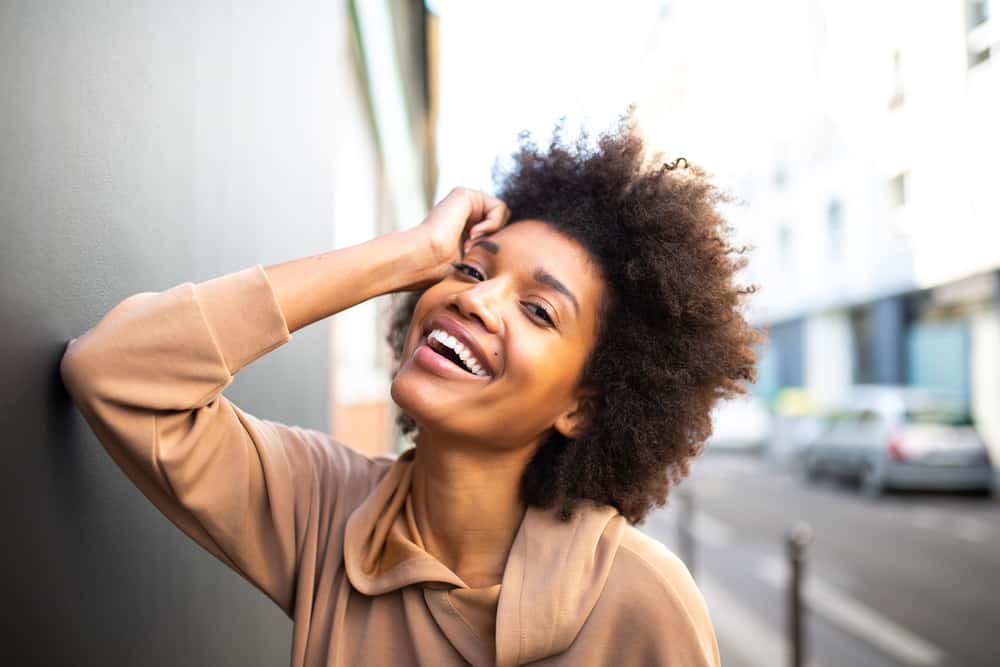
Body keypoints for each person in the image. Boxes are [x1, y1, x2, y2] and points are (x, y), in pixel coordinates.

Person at [60, 113, 763, 666]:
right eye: (471, 269)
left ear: (582, 405)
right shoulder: (325, 508)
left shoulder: (642, 607)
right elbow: (115, 369)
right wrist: (408, 253)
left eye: (539, 309)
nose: (478, 302)